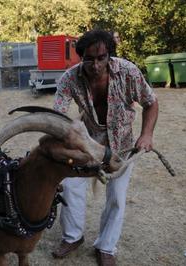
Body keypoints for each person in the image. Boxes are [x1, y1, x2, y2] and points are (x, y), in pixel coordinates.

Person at [51, 30, 158, 266]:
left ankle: (106, 246)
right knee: (70, 187)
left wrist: (146, 134)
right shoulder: (69, 79)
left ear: (109, 55)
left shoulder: (128, 72)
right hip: (87, 145)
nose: (96, 64)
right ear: (81, 57)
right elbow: (57, 115)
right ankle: (72, 237)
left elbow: (151, 102)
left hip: (122, 146)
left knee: (116, 198)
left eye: (102, 57)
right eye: (89, 59)